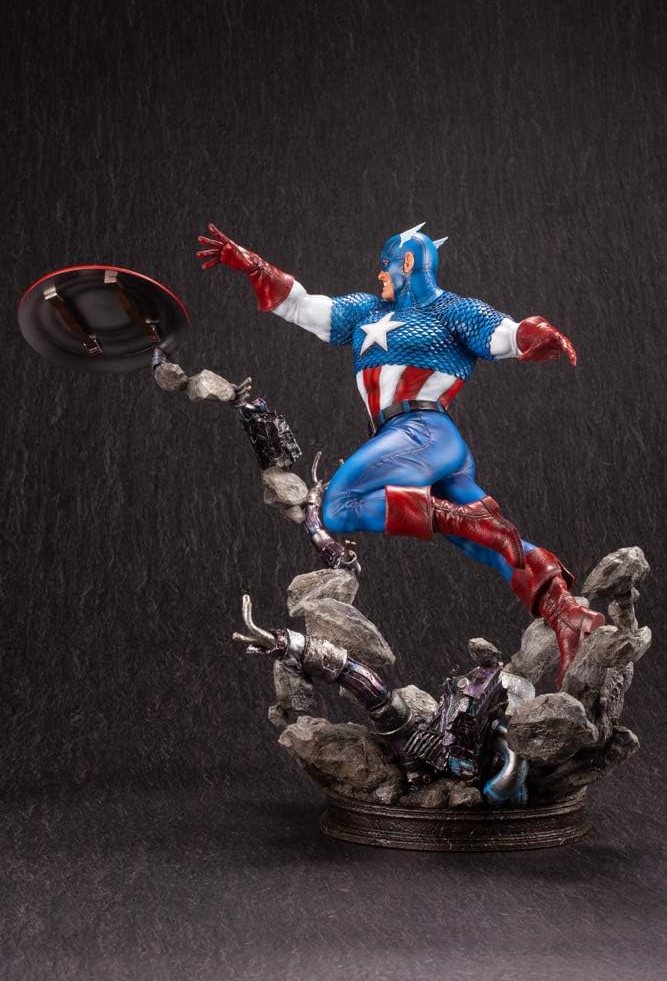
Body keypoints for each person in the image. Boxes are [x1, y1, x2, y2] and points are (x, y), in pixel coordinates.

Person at [197, 222, 603, 686]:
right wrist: (253, 265)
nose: (379, 274)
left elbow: (508, 335)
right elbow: (302, 305)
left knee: (339, 505)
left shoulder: (454, 310)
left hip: (424, 432)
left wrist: (540, 335)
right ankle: (567, 614)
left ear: (407, 263)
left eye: (385, 265)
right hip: (422, 445)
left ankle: (460, 518)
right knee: (492, 544)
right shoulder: (365, 310)